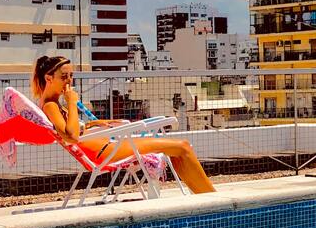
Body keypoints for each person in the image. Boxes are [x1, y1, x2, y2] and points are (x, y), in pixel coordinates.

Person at [31, 54, 216, 194]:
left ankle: (204, 197)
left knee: (178, 150)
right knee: (182, 147)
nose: (69, 81)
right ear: (49, 78)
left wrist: (99, 123)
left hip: (108, 147)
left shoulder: (54, 104)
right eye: (64, 76)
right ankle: (212, 199)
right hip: (107, 152)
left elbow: (77, 129)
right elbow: (71, 136)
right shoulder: (50, 106)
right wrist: (72, 102)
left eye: (71, 76)